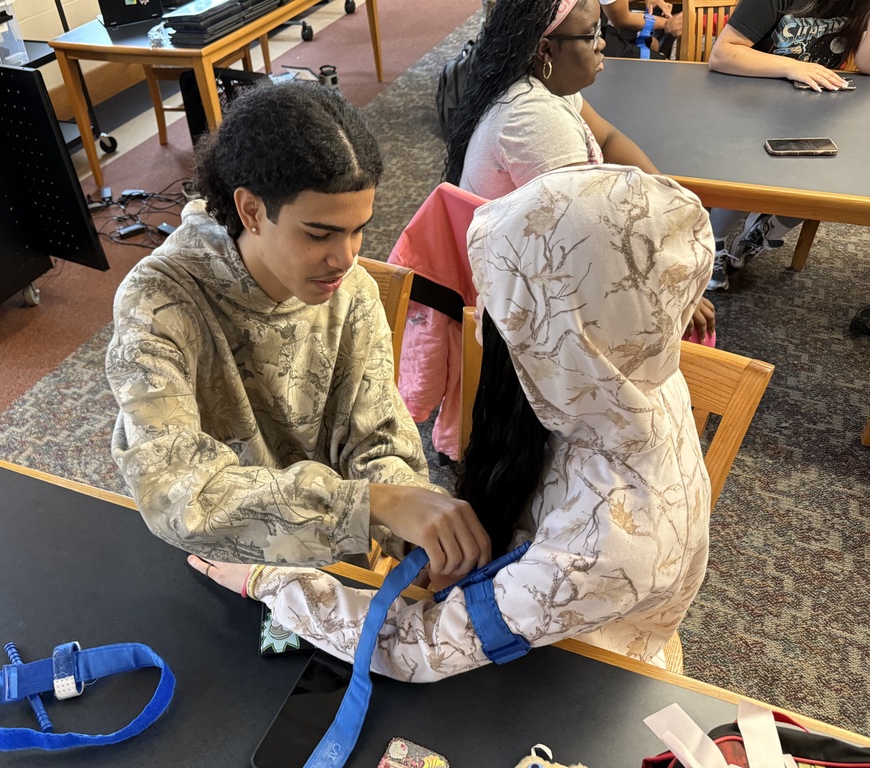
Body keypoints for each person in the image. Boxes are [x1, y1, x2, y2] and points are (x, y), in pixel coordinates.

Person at [192, 165, 714, 677]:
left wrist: (269, 580)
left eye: (500, 304)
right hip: (532, 603)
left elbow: (417, 647)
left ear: (556, 338)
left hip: (569, 670)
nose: (481, 312)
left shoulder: (610, 536)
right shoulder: (616, 374)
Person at [106, 81, 490, 576]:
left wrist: (417, 530)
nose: (345, 258)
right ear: (251, 211)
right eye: (319, 234)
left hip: (325, 557)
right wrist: (370, 504)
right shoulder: (157, 303)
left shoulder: (351, 291)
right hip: (208, 559)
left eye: (358, 230)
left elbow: (377, 440)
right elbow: (179, 493)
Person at [443, 0, 714, 337]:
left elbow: (609, 138)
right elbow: (588, 239)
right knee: (685, 326)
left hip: (541, 257)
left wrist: (667, 199)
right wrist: (667, 275)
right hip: (519, 300)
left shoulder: (547, 84)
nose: (602, 43)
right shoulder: (536, 120)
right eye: (591, 35)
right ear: (546, 50)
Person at [705, 0, 870, 290]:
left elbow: (866, 63)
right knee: (745, 175)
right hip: (748, 105)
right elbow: (722, 54)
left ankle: (764, 231)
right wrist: (794, 67)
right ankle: (712, 243)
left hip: (811, 113)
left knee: (824, 182)